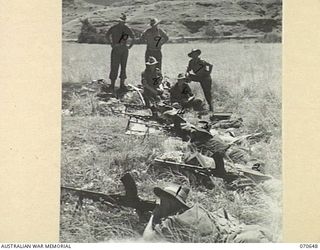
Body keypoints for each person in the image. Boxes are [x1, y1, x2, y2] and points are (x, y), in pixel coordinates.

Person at [143, 184, 272, 243]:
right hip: (251, 232)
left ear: (170, 203)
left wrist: (154, 215)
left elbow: (147, 239)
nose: (160, 203)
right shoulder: (198, 210)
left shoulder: (174, 223)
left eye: (162, 201)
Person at [105, 13, 135, 92]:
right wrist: (111, 44)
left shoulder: (127, 28)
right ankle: (112, 85)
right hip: (117, 48)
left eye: (123, 21)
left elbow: (133, 37)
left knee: (123, 67)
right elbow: (107, 35)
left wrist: (129, 46)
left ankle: (122, 85)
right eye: (121, 21)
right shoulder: (114, 28)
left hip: (123, 49)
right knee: (114, 66)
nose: (122, 22)